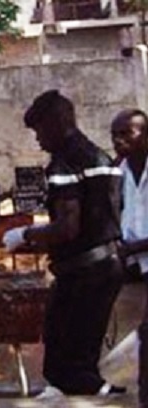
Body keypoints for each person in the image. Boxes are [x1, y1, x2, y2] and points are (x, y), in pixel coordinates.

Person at [3, 90, 125, 396]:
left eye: (40, 131)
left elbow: (68, 228)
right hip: (106, 266)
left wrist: (25, 235)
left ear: (57, 123)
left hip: (82, 273)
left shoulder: (64, 164)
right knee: (80, 357)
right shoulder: (103, 158)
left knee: (65, 365)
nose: (38, 140)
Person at [111, 109, 148, 408]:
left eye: (127, 133)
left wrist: (132, 248)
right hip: (135, 266)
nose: (119, 140)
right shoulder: (119, 172)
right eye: (115, 135)